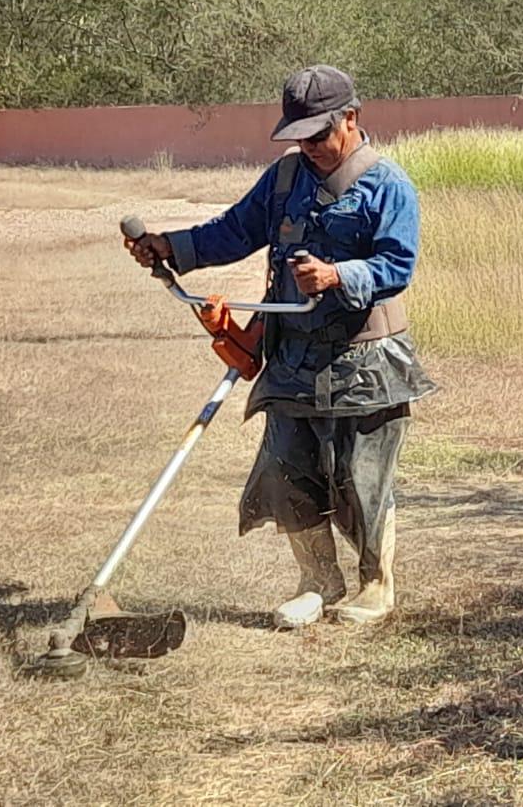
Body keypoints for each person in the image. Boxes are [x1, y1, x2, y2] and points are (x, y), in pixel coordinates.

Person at [124, 65, 435, 627]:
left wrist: (339, 275)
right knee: (287, 469)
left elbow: (397, 264)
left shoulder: (388, 185)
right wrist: (169, 246)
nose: (308, 146)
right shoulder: (285, 179)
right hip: (291, 357)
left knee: (362, 477)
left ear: (352, 118)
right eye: (299, 135)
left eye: (319, 134)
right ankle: (317, 582)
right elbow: (235, 230)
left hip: (364, 362)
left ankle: (375, 586)